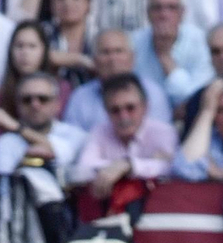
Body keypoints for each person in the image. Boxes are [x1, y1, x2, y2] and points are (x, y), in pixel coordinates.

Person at [72, 71, 179, 201]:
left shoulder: (164, 132)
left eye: (130, 108)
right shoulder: (99, 131)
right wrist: (123, 166)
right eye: (115, 110)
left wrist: (129, 165)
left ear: (145, 107)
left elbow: (173, 169)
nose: (124, 117)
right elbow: (84, 167)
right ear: (106, 111)